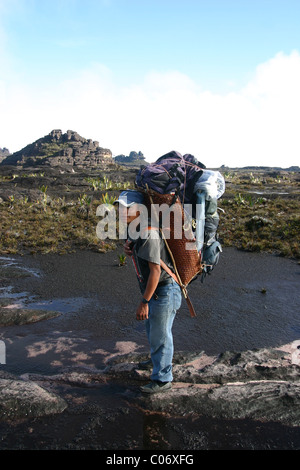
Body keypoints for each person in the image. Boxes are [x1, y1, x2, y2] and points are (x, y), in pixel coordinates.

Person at [114, 190, 182, 394]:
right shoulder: (133, 229)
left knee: (161, 336)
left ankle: (162, 379)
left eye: (126, 208)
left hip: (163, 291)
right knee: (153, 333)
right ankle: (156, 361)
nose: (121, 211)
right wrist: (129, 248)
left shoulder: (148, 232)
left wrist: (144, 301)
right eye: (119, 207)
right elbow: (138, 250)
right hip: (157, 291)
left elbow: (155, 271)